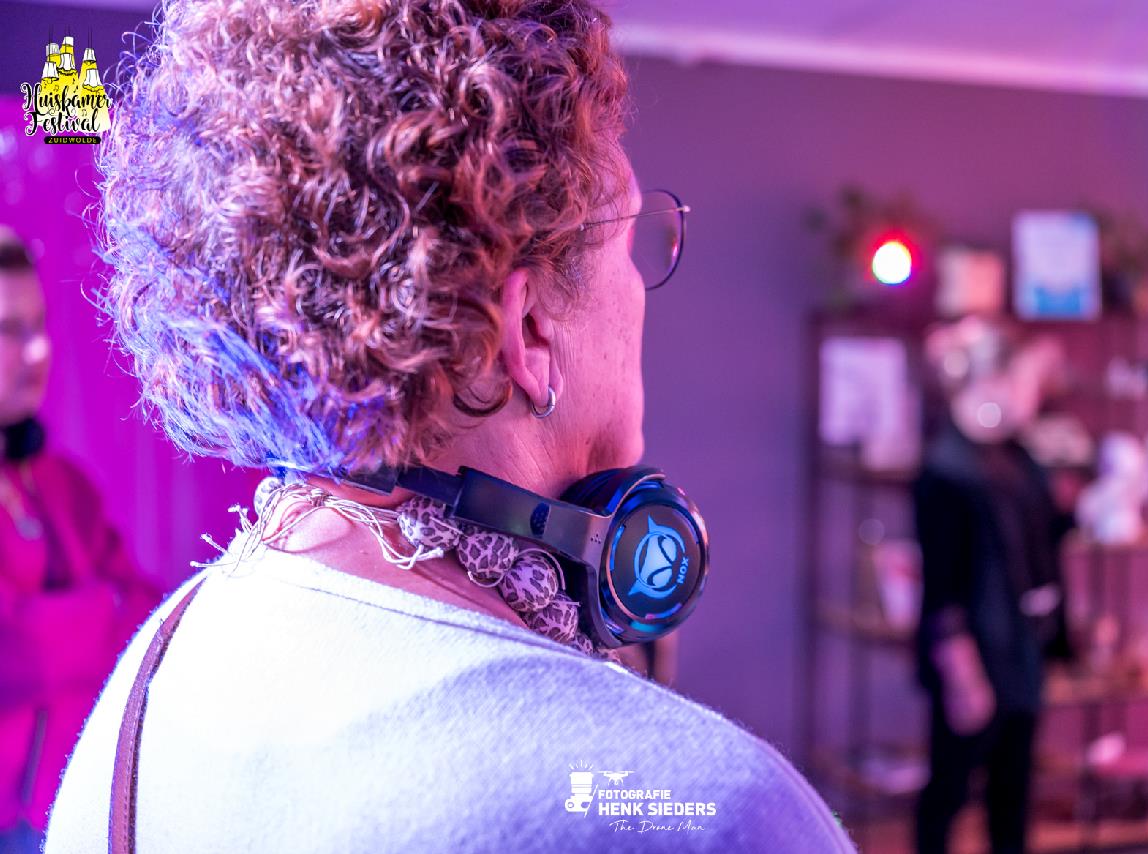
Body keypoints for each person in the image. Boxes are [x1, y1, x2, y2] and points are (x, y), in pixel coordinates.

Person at [43, 2, 855, 852]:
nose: (638, 290)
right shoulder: (704, 809)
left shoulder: (148, 682)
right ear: (530, 331)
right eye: (627, 245)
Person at [0, 229, 164, 854]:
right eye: (10, 329)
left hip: (71, 816)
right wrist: (105, 608)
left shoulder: (63, 483)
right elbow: (13, 654)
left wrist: (59, 622)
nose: (39, 349)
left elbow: (144, 616)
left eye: (39, 324)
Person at [912, 316, 1076, 854]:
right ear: (991, 383)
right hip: (976, 657)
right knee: (949, 789)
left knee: (1013, 795)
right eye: (1025, 381)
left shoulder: (1018, 457)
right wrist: (963, 674)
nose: (1034, 395)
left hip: (1021, 650)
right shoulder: (946, 471)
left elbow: (1040, 537)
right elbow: (942, 587)